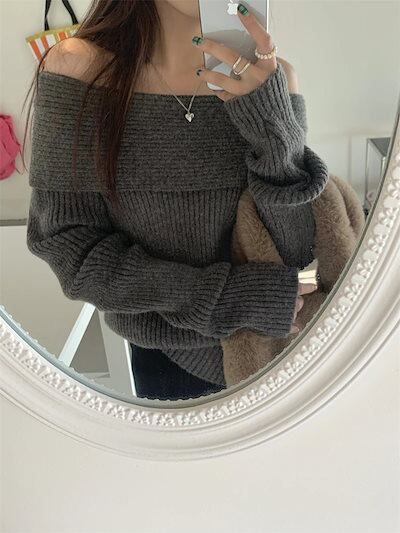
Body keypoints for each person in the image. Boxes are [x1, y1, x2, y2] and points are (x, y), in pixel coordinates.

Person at [24, 0, 328, 401]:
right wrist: (224, 299)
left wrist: (271, 128)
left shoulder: (274, 79)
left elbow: (296, 248)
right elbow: (68, 247)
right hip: (168, 365)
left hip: (280, 354)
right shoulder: (78, 68)